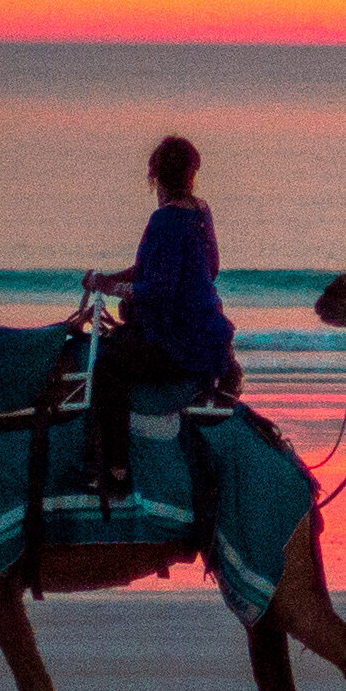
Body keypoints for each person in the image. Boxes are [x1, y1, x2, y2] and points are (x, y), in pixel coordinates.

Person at [77, 136, 234, 497]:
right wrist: (112, 279)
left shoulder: (164, 219)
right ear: (191, 174)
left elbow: (159, 289)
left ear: (155, 176)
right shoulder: (200, 211)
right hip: (205, 331)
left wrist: (113, 289)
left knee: (105, 368)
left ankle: (113, 470)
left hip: (177, 342)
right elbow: (208, 268)